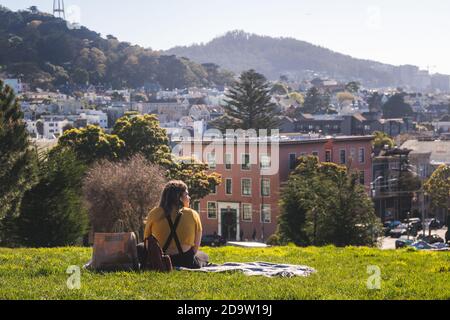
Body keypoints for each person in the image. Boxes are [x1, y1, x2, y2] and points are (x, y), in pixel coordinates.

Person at [143, 180, 208, 269]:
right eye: (186, 195)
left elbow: (147, 243)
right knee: (203, 255)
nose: (189, 198)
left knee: (139, 247)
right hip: (185, 260)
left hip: (160, 259)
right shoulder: (193, 214)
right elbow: (195, 248)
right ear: (179, 198)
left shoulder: (154, 213)